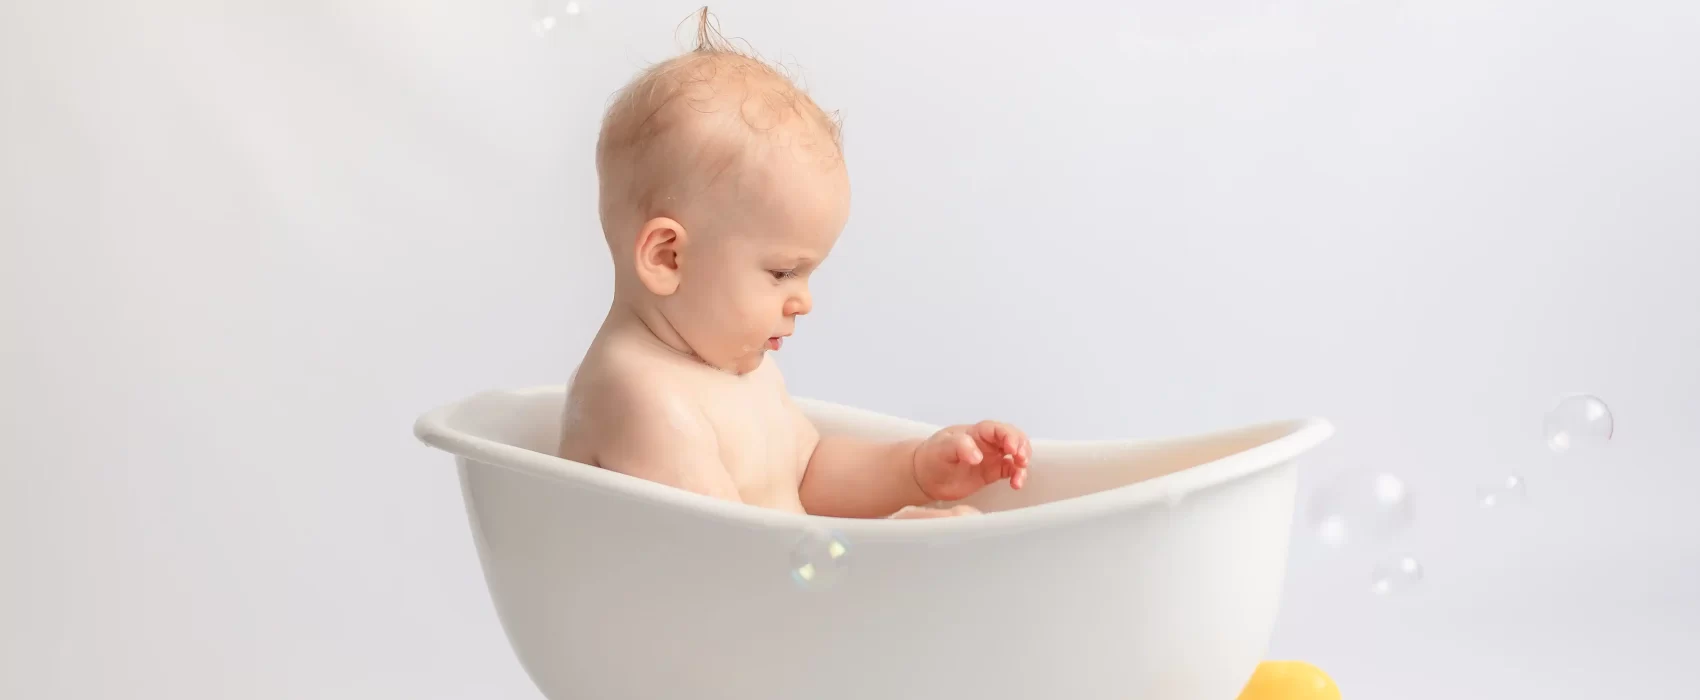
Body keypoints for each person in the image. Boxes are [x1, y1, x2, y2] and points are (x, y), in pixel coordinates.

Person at [558, 8, 1030, 519]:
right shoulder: (639, 395)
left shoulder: (742, 371)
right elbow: (727, 552)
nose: (804, 300)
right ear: (668, 256)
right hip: (704, 599)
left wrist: (916, 472)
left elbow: (806, 474)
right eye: (782, 272)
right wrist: (897, 541)